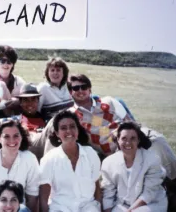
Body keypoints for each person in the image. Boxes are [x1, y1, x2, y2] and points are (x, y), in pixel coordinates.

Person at [43, 74, 176, 182]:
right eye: (76, 88)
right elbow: (55, 132)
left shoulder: (109, 101)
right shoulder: (71, 115)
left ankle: (173, 179)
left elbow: (129, 120)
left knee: (158, 139)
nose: (80, 91)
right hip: (111, 145)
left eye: (84, 87)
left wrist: (131, 131)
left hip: (128, 131)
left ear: (90, 89)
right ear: (71, 92)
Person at [39, 110, 101, 212]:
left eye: (72, 126)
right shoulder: (49, 159)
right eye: (63, 128)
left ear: (78, 130)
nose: (69, 131)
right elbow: (44, 195)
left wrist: (98, 205)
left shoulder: (91, 154)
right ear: (57, 133)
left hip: (88, 207)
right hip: (60, 208)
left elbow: (97, 187)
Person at [101, 122, 167, 212]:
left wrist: (130, 211)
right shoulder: (108, 162)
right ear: (118, 140)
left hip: (150, 204)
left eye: (133, 138)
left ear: (138, 140)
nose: (128, 143)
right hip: (121, 204)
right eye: (124, 138)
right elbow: (108, 192)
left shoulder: (152, 159)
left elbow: (149, 194)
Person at [37, 57, 74, 122]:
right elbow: (36, 112)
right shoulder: (43, 88)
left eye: (58, 70)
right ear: (47, 73)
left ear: (64, 73)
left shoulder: (69, 86)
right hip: (52, 127)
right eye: (52, 70)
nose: (55, 73)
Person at [16, 83, 46, 161]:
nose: (30, 103)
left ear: (38, 101)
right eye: (26, 100)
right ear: (20, 102)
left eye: (33, 99)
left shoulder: (47, 120)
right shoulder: (16, 122)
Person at [0, 45, 26, 116]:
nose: (6, 64)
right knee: (1, 85)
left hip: (16, 115)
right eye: (2, 61)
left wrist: (18, 101)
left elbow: (27, 99)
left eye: (9, 61)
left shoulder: (19, 81)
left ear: (13, 64)